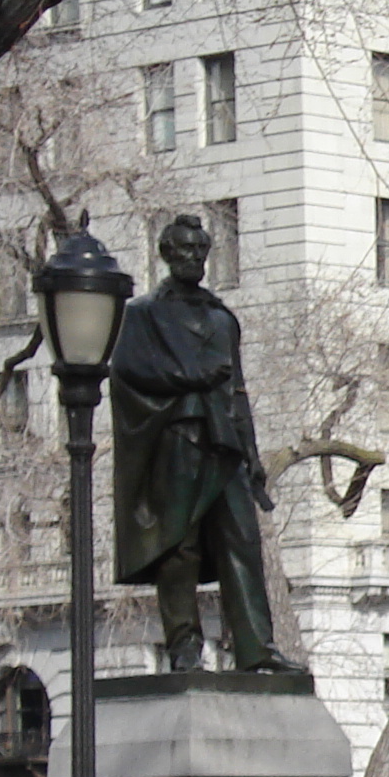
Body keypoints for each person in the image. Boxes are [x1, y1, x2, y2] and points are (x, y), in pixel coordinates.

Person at [109, 213, 302, 672]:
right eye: (184, 250)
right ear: (166, 254)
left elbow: (237, 391)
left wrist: (253, 455)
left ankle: (257, 649)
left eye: (200, 250)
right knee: (180, 548)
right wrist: (189, 378)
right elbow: (128, 375)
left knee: (243, 543)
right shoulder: (142, 315)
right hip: (177, 441)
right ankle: (184, 648)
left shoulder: (221, 318)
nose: (193, 258)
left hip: (226, 447)